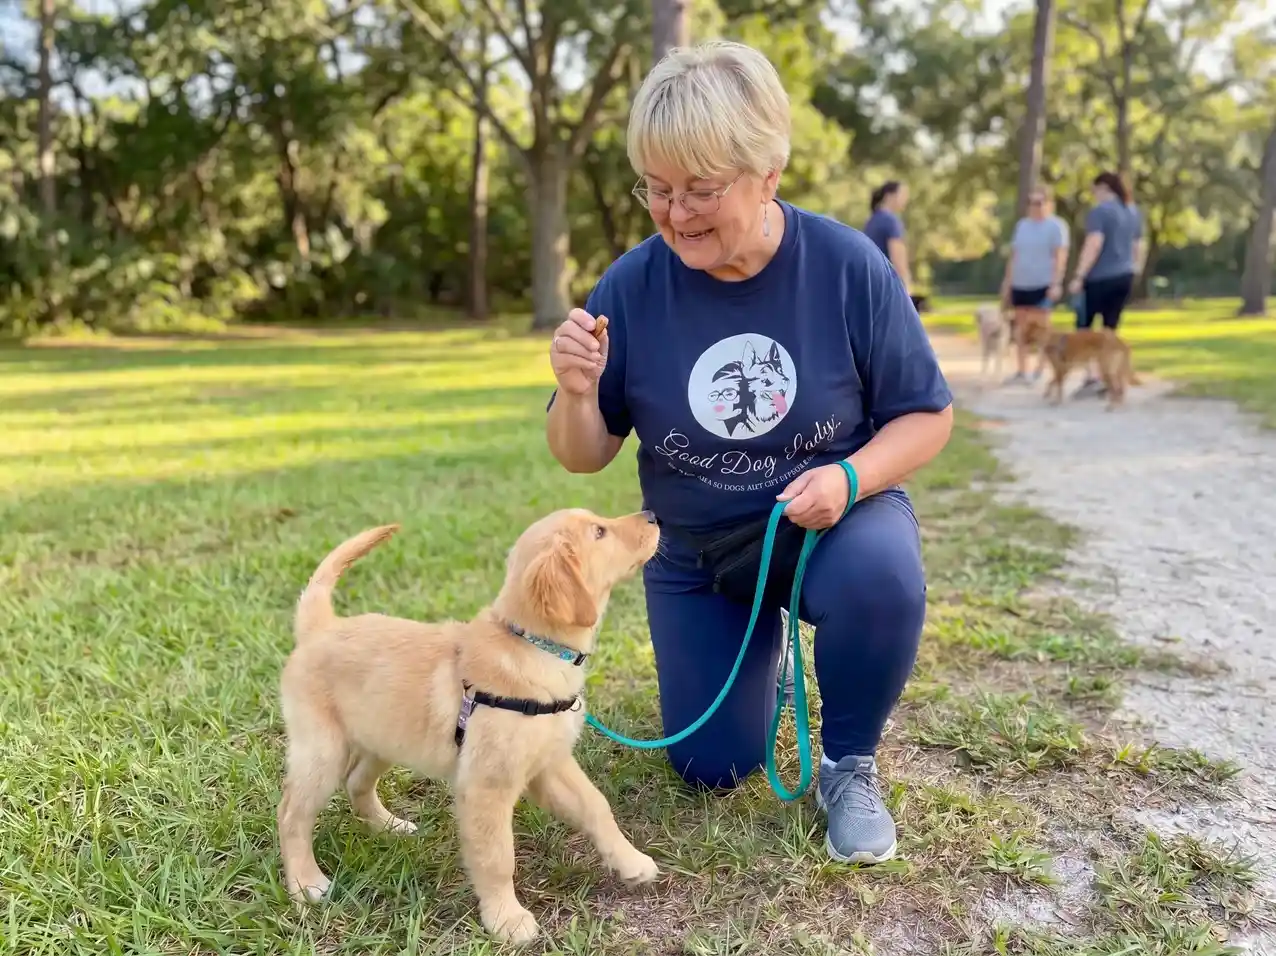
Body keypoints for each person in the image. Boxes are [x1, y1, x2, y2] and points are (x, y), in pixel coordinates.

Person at [543, 40, 954, 865]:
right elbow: (581, 456)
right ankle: (747, 664)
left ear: (769, 172)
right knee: (712, 767)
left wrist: (848, 477)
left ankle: (848, 765)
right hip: (696, 553)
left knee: (881, 578)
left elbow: (927, 417)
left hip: (828, 527)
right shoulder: (630, 285)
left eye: (700, 188)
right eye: (657, 189)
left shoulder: (847, 266)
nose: (676, 213)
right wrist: (579, 393)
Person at [1067, 171, 1144, 397]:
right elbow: (1139, 244)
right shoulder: (1132, 212)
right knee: (1110, 330)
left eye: (1094, 190)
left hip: (1100, 276)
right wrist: (1134, 268)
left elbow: (1094, 243)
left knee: (1086, 330)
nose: (1094, 195)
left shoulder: (1100, 212)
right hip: (1125, 274)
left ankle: (1093, 377)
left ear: (1103, 188)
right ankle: (1110, 375)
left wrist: (1079, 274)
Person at [999, 186, 1069, 385]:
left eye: (1039, 203)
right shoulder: (1022, 226)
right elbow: (1014, 256)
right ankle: (1022, 370)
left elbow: (1060, 256)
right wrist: (1007, 282)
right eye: (1032, 203)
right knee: (1021, 330)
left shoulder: (1056, 226)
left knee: (1042, 329)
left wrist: (1056, 283)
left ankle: (1041, 369)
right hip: (1022, 283)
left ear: (1048, 204)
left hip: (1043, 283)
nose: (1035, 207)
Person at [863, 181, 913, 294]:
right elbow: (897, 258)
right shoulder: (891, 221)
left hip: (872, 283)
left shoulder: (871, 220)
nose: (905, 199)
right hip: (887, 285)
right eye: (902, 194)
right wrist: (906, 285)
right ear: (889, 196)